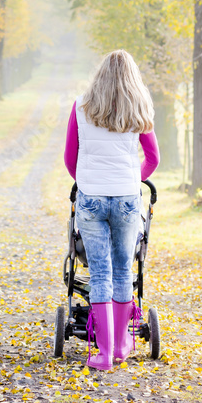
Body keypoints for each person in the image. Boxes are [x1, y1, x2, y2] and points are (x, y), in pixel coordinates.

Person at [63, 50, 160, 370]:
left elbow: (70, 158)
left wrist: (90, 183)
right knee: (123, 270)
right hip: (127, 199)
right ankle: (121, 346)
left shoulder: (81, 106)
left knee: (99, 272)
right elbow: (153, 159)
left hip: (91, 198)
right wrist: (133, 179)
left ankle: (103, 354)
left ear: (100, 75)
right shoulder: (140, 107)